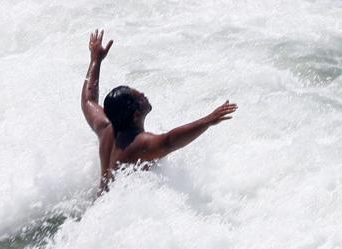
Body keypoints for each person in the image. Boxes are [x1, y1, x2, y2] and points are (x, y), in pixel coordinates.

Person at [82, 29, 238, 190]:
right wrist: (208, 120)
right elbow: (169, 141)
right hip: (116, 207)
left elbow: (89, 100)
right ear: (136, 115)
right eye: (140, 97)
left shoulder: (106, 128)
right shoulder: (139, 143)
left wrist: (96, 60)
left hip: (102, 202)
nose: (143, 95)